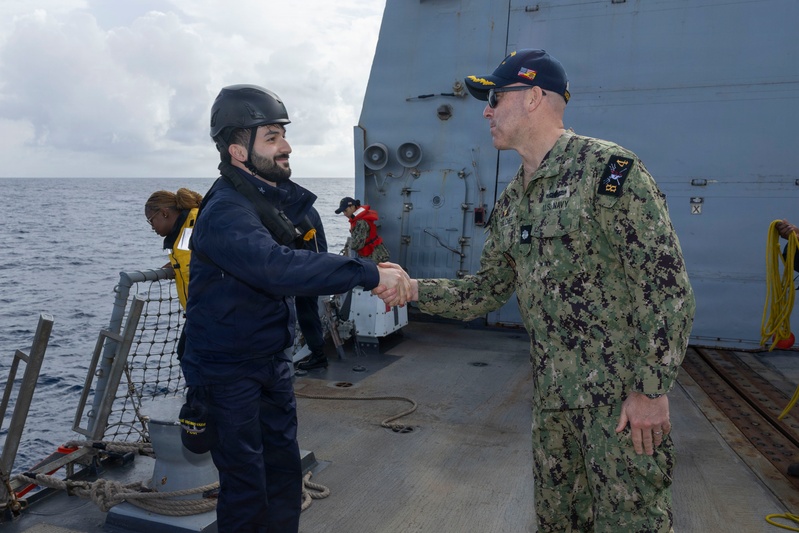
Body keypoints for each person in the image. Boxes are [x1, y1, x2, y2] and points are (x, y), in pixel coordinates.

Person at [375, 49, 695, 532]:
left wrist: (650, 392)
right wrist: (413, 288)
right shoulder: (513, 200)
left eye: (494, 98)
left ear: (533, 98)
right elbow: (486, 291)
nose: (485, 111)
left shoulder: (609, 171)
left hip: (619, 406)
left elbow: (667, 288)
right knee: (557, 522)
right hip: (552, 404)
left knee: (632, 523)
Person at [182, 84, 408, 533]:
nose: (286, 146)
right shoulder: (226, 211)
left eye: (283, 135)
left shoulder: (266, 200)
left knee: (284, 474)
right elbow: (275, 267)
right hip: (226, 371)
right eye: (271, 137)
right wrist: (368, 273)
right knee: (246, 489)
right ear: (238, 151)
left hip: (269, 359)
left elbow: (300, 259)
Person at [144, 187, 203, 359]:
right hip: (198, 314)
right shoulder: (179, 233)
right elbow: (192, 256)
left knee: (192, 359)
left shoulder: (197, 223)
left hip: (213, 313)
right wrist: (175, 265)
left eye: (151, 221)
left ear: (164, 213)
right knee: (185, 354)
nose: (152, 227)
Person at [335, 196, 390, 263]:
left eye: (345, 210)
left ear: (352, 207)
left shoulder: (361, 222)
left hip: (376, 256)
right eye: (343, 212)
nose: (344, 214)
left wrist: (348, 244)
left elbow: (358, 244)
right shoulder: (358, 220)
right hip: (374, 254)